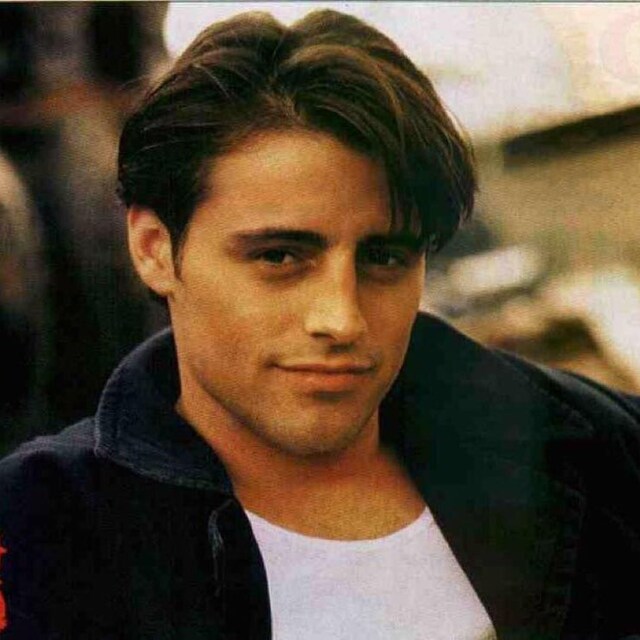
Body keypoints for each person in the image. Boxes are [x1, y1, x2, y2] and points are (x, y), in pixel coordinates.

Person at [1, 9, 639, 640]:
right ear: (154, 249)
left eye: (384, 258)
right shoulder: (38, 532)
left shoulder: (603, 456)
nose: (342, 318)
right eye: (279, 257)